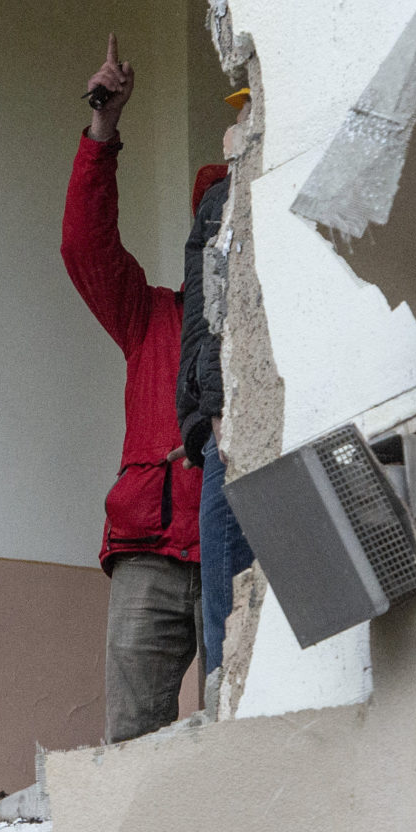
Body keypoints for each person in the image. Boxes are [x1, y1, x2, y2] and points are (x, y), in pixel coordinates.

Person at [62, 35, 226, 741]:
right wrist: (103, 129)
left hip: (231, 537)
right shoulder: (154, 317)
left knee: (242, 725)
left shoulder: (272, 327)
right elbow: (85, 247)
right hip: (150, 547)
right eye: (216, 228)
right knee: (131, 741)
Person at [179, 90, 254, 706]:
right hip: (222, 427)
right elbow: (211, 312)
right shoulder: (217, 200)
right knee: (227, 617)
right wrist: (210, 417)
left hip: (259, 413)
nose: (238, 124)